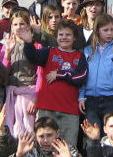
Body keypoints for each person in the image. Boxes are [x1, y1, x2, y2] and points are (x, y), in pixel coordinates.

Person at [22, 19, 89, 147]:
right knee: (44, 147)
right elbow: (32, 57)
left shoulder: (79, 56)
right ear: (56, 36)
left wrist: (60, 74)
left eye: (68, 35)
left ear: (74, 38)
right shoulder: (48, 52)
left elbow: (81, 77)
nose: (64, 37)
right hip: (46, 109)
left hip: (69, 111)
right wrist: (28, 43)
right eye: (61, 34)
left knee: (68, 148)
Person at [79, 14, 113, 128]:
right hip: (89, 99)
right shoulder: (87, 51)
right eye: (105, 30)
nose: (109, 33)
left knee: (109, 133)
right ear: (97, 31)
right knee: (93, 135)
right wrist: (81, 96)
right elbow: (82, 76)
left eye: (112, 30)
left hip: (110, 98)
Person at [2, 9, 42, 136]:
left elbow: (40, 73)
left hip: (29, 91)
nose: (18, 27)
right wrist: (7, 53)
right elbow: (3, 73)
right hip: (12, 94)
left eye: (22, 24)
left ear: (28, 25)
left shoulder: (36, 45)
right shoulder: (6, 45)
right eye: (15, 24)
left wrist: (36, 97)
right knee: (12, 130)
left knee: (29, 130)